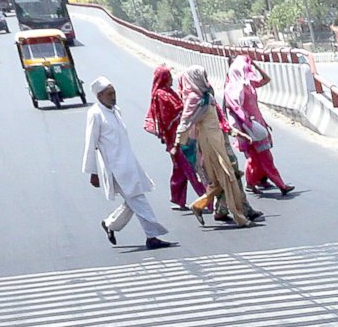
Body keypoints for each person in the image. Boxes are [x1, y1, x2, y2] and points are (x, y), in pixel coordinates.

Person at [82, 76, 172, 250]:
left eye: (114, 93)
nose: (113, 97)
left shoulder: (116, 111)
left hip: (129, 163)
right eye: (109, 94)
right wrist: (93, 172)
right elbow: (90, 143)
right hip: (115, 168)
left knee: (133, 200)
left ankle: (110, 224)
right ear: (100, 96)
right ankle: (152, 236)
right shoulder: (95, 113)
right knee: (139, 200)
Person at [176, 64, 261, 228]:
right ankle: (239, 215)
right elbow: (185, 121)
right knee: (229, 177)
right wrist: (178, 142)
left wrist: (236, 133)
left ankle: (204, 206)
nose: (206, 80)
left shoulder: (207, 95)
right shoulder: (194, 98)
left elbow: (221, 119)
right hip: (209, 144)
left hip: (219, 140)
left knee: (225, 179)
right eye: (204, 77)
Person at [222, 53, 293, 196]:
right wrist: (245, 127)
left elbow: (266, 80)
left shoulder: (247, 84)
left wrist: (255, 65)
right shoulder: (232, 89)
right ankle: (281, 185)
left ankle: (251, 182)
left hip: (257, 124)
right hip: (247, 128)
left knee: (256, 158)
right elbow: (236, 110)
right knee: (263, 157)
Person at [145, 63, 201, 209]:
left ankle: (177, 198)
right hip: (177, 138)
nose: (171, 79)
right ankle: (206, 200)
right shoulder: (161, 95)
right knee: (190, 168)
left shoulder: (169, 92)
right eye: (169, 77)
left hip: (183, 134)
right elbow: (169, 117)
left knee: (180, 169)